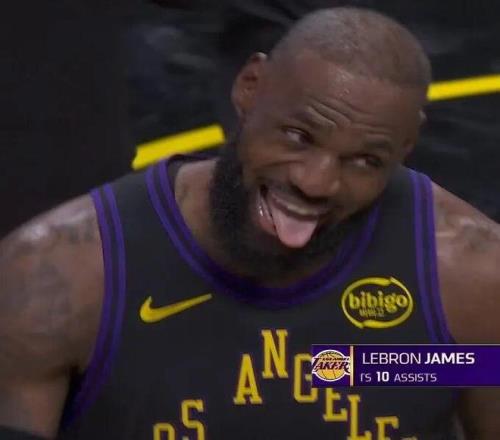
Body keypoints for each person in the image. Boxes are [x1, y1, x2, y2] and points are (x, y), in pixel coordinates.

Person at [0, 7, 499, 439]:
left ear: (406, 146)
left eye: (365, 160)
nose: (316, 182)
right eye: (298, 136)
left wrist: (376, 368)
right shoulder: (59, 277)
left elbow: (445, 375)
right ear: (249, 87)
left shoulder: (473, 279)